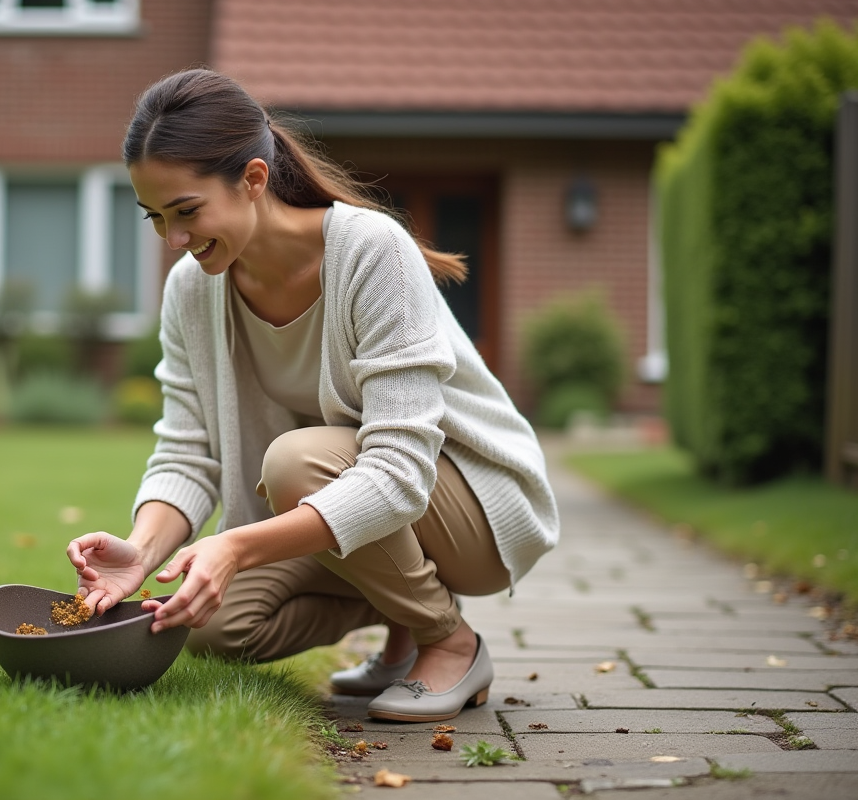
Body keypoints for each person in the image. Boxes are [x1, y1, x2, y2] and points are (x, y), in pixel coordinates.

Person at [66, 68, 559, 722]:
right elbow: (188, 452)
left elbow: (401, 469)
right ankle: (400, 619)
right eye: (155, 217)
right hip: (357, 497)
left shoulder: (369, 251)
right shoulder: (192, 289)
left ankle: (449, 639)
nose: (173, 241)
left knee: (295, 462)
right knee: (211, 626)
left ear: (252, 179)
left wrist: (236, 547)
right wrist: (143, 552)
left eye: (186, 212)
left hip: (475, 511)